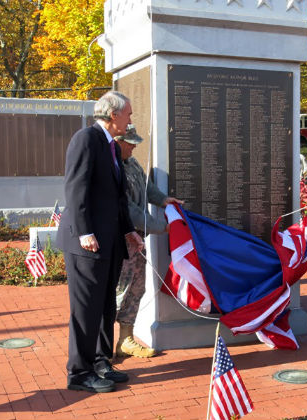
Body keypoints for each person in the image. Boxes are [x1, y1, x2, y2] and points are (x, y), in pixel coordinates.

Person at [57, 91, 144, 394]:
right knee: (86, 308)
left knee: (105, 303)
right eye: (128, 114)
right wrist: (84, 232)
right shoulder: (86, 139)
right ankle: (79, 373)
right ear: (113, 114)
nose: (131, 119)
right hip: (87, 242)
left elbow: (116, 199)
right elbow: (75, 188)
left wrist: (128, 230)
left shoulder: (111, 147)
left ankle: (100, 360)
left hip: (108, 241)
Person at [114, 126, 183, 358]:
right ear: (117, 140)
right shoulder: (112, 168)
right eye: (130, 142)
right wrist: (160, 227)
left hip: (138, 242)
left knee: (137, 287)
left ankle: (126, 339)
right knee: (119, 291)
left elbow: (146, 188)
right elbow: (128, 210)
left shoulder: (131, 163)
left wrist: (163, 200)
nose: (134, 146)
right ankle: (101, 345)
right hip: (122, 239)